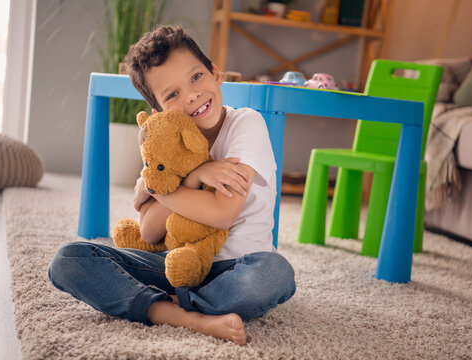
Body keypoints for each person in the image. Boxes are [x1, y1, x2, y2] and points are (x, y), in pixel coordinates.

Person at [48, 25, 295, 345]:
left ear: (215, 73)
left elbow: (222, 214)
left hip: (236, 270)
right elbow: (150, 231)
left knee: (275, 273)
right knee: (68, 260)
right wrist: (195, 177)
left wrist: (161, 188)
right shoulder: (163, 145)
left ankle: (162, 305)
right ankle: (182, 316)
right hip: (174, 268)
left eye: (196, 77)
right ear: (158, 113)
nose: (192, 96)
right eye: (173, 94)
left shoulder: (245, 124)